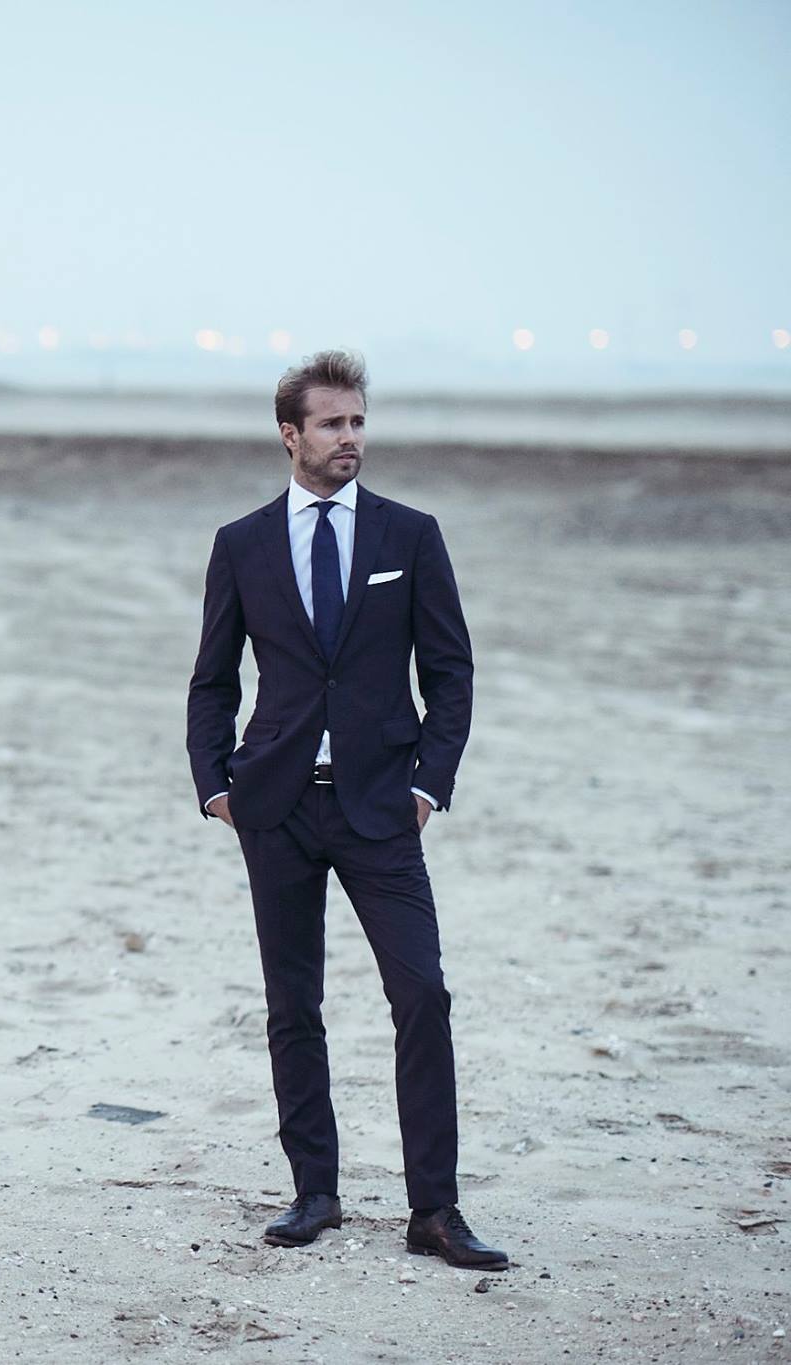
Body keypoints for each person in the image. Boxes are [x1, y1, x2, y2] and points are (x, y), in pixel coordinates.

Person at [184, 350, 507, 1270]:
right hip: (276, 805)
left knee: (423, 993)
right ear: (290, 435)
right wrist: (216, 785)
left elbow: (450, 673)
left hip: (381, 807)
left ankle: (434, 1210)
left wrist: (427, 783)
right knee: (294, 1003)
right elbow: (212, 679)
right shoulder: (242, 543)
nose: (350, 437)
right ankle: (315, 1192)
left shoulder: (411, 535)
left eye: (358, 421)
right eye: (332, 423)